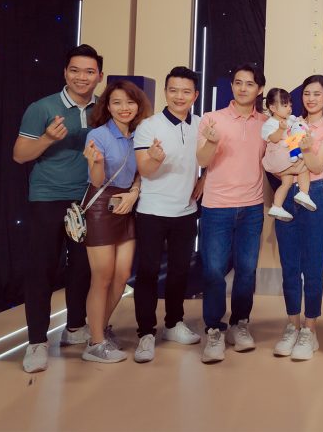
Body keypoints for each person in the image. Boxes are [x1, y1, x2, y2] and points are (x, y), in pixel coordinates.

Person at [13, 44, 103, 373]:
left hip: (87, 198)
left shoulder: (103, 109)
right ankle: (37, 341)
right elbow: (20, 155)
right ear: (65, 73)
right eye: (75, 70)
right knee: (42, 269)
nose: (82, 77)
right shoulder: (42, 108)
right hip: (48, 197)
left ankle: (75, 328)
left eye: (89, 71)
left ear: (99, 76)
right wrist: (47, 138)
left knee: (82, 267)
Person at [132, 66, 205, 363]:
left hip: (186, 211)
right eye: (173, 90)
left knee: (179, 271)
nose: (179, 96)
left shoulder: (200, 124)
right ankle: (146, 333)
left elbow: (212, 158)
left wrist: (204, 179)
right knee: (148, 272)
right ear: (165, 92)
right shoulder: (148, 126)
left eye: (186, 91)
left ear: (195, 95)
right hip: (152, 210)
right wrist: (154, 159)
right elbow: (144, 170)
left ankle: (173, 323)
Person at [196, 63, 267, 364]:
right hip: (216, 207)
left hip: (252, 207)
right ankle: (214, 329)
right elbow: (202, 160)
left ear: (259, 89)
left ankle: (240, 323)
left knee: (247, 270)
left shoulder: (266, 124)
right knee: (213, 270)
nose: (242, 88)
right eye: (238, 82)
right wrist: (212, 142)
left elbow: (281, 157)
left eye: (249, 84)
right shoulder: (212, 119)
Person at [81, 79, 151, 363]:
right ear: (107, 106)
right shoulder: (98, 135)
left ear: (138, 105)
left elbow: (140, 173)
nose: (124, 108)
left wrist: (134, 193)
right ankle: (96, 343)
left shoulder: (140, 134)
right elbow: (97, 181)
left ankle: (100, 329)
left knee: (122, 276)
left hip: (127, 204)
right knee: (103, 276)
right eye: (117, 102)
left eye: (130, 102)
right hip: (101, 206)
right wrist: (96, 162)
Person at [272, 75, 323, 361]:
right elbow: (277, 160)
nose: (311, 99)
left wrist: (307, 147)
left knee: (313, 266)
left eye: (317, 94)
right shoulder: (291, 122)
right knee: (289, 265)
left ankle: (309, 330)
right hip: (287, 193)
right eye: (307, 94)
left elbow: (317, 164)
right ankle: (292, 325)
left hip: (316, 195)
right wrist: (291, 163)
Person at [261, 87, 316, 221]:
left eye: (290, 105)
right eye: (285, 106)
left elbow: (297, 128)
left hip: (285, 155)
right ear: (273, 108)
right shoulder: (270, 123)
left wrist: (300, 123)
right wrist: (281, 129)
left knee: (287, 183)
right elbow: (273, 139)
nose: (289, 108)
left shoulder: (289, 119)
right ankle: (304, 193)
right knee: (304, 168)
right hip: (279, 155)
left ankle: (277, 206)